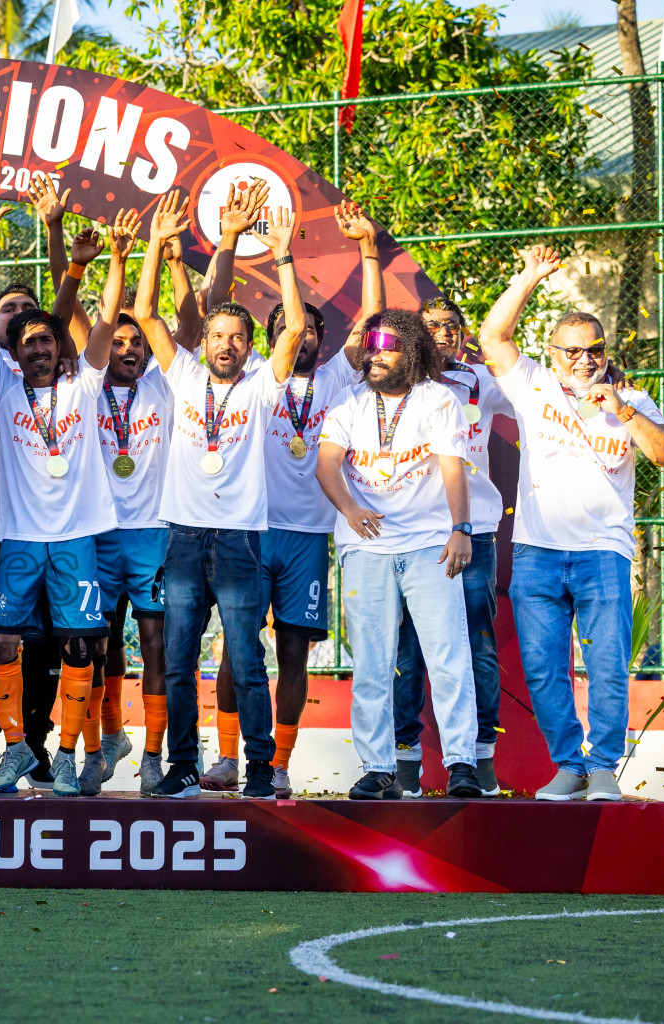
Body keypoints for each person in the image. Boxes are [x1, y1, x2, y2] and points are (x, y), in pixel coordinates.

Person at [478, 245, 664, 801]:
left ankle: (603, 770)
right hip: (536, 552)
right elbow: (493, 338)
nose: (583, 360)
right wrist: (526, 277)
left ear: (604, 352)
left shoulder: (631, 398)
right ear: (554, 353)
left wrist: (624, 410)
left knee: (608, 670)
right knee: (545, 672)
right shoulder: (535, 383)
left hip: (602, 553)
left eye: (593, 350)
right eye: (572, 351)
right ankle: (569, 765)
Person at [205, 201, 383, 799]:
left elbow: (373, 321)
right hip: (252, 528)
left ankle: (278, 762)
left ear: (322, 338)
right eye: (289, 327)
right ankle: (226, 754)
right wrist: (233, 243)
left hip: (308, 537)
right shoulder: (258, 371)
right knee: (236, 645)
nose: (300, 336)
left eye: (309, 329)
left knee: (293, 655)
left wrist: (367, 251)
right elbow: (213, 313)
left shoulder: (338, 377)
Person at [142, 191, 306, 800]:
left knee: (247, 661)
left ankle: (261, 772)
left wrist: (285, 257)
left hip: (239, 540)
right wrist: (159, 247)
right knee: (180, 664)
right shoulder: (182, 374)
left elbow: (291, 328)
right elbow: (147, 314)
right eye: (217, 335)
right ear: (204, 341)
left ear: (246, 345)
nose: (228, 345)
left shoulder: (263, 382)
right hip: (182, 537)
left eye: (237, 337)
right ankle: (184, 766)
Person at [317, 309, 483, 800]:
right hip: (366, 547)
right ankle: (378, 767)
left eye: (388, 348)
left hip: (430, 543)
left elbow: (453, 468)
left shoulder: (438, 400)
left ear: (410, 351)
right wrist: (349, 508)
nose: (376, 356)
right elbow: (328, 465)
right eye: (371, 347)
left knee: (448, 656)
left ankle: (461, 765)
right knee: (370, 662)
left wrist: (460, 529)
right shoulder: (347, 402)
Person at [0, 227, 119, 797]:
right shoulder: (2, 389)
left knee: (80, 648)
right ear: (14, 354)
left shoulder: (85, 385)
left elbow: (105, 321)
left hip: (76, 538)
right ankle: (16, 750)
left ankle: (65, 756)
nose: (39, 349)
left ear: (60, 348)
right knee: (0, 642)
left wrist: (96, 266)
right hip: (17, 537)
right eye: (27, 343)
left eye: (47, 341)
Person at [390, 295, 513, 797]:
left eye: (451, 325)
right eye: (432, 325)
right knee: (408, 651)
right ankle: (404, 762)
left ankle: (481, 758)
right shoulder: (394, 383)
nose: (443, 332)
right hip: (414, 535)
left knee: (477, 645)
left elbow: (541, 396)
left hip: (475, 531)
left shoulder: (481, 381)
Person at [90, 210, 173, 795]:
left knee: (155, 644)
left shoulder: (165, 387)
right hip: (97, 534)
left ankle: (152, 755)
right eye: (117, 342)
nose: (127, 348)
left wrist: (151, 251)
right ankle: (104, 740)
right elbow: (92, 320)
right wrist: (111, 260)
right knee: (97, 645)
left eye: (136, 342)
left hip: (151, 534)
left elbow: (146, 312)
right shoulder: (85, 385)